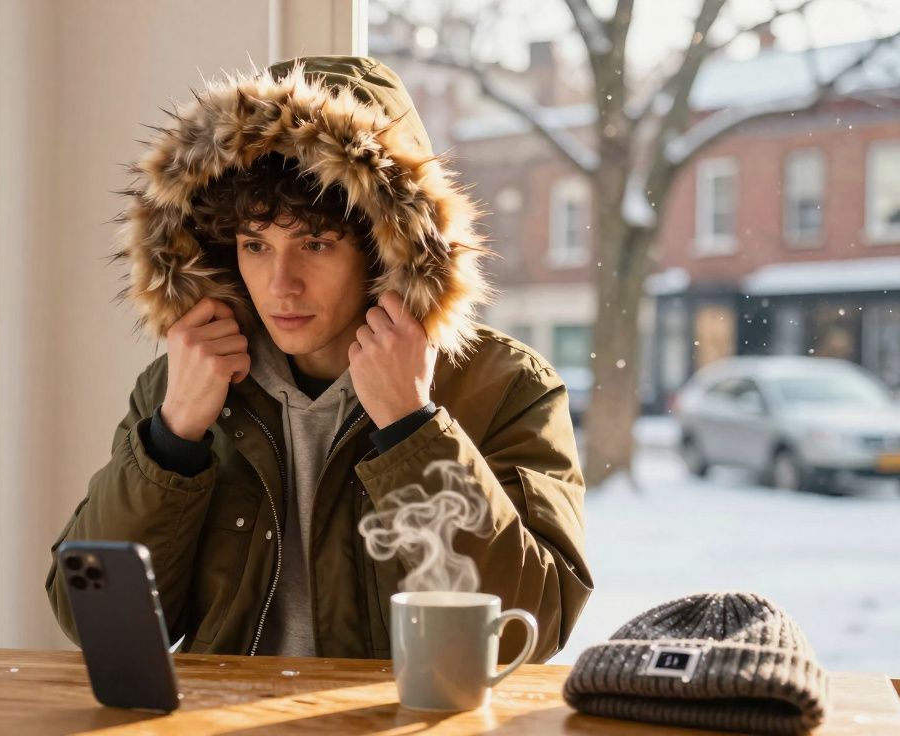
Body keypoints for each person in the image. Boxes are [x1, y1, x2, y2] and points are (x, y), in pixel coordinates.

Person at [46, 56, 592, 662]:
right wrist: (173, 437)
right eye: (255, 245)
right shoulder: (186, 381)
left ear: (386, 249)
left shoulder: (504, 387)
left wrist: (412, 427)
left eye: (315, 243)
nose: (282, 284)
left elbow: (531, 628)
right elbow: (93, 621)